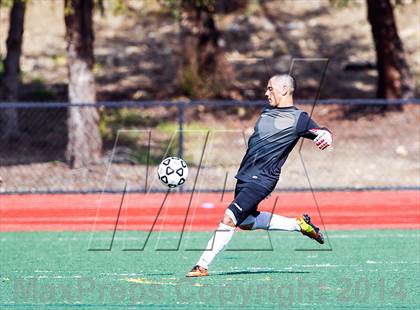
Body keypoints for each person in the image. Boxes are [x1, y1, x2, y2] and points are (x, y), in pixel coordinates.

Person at [186, 74, 333, 277]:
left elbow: (321, 131)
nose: (266, 93)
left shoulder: (299, 119)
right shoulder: (266, 112)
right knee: (245, 222)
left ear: (284, 89)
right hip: (244, 176)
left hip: (263, 179)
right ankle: (298, 224)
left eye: (270, 88)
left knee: (229, 218)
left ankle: (202, 265)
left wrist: (326, 135)